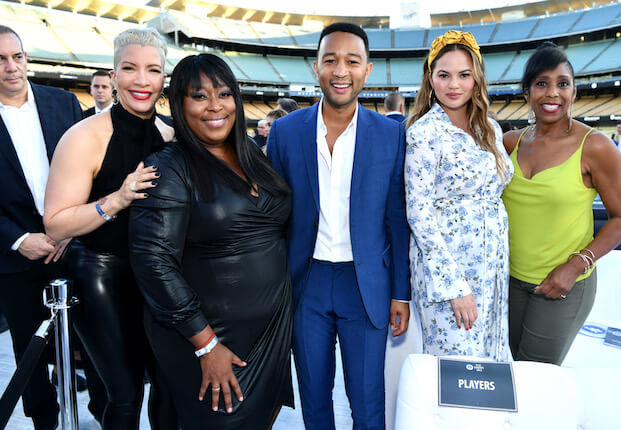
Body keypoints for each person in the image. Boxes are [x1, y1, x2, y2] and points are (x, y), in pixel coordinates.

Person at [129, 53, 293, 430]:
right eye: (199, 96)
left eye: (223, 93)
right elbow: (153, 263)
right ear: (179, 105)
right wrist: (206, 344)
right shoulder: (169, 168)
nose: (215, 106)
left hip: (267, 338)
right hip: (211, 340)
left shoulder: (252, 154)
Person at [267, 22, 410, 429]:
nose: (340, 70)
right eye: (331, 60)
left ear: (367, 71)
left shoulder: (390, 135)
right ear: (316, 68)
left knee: (367, 402)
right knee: (314, 399)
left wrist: (401, 292)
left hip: (364, 285)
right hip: (305, 282)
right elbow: (274, 217)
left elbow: (397, 220)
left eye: (352, 61)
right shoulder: (285, 132)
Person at [43, 28, 177, 429]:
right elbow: (56, 221)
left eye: (152, 70)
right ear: (114, 75)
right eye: (130, 69)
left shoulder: (171, 134)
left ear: (163, 78)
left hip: (157, 278)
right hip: (100, 275)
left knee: (170, 388)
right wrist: (115, 201)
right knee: (125, 394)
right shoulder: (83, 137)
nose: (141, 80)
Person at [502, 42, 621, 365]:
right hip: (509, 282)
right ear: (527, 93)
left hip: (563, 285)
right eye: (541, 84)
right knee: (514, 371)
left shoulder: (596, 147)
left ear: (574, 93)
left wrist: (575, 266)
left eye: (563, 84)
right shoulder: (509, 143)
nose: (552, 93)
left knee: (535, 378)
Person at [405, 30, 513, 361]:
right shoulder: (423, 134)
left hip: (492, 269)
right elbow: (419, 215)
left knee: (489, 364)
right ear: (430, 78)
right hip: (448, 276)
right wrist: (456, 287)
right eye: (444, 75)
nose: (454, 85)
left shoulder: (490, 129)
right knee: (455, 371)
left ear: (476, 79)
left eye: (464, 75)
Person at [0, 24, 81, 430]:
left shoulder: (63, 103)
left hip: (75, 247)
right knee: (30, 351)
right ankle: (45, 424)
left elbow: (92, 170)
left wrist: (70, 228)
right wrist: (18, 239)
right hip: (16, 256)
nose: (12, 67)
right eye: (0, 60)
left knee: (89, 345)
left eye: (18, 56)